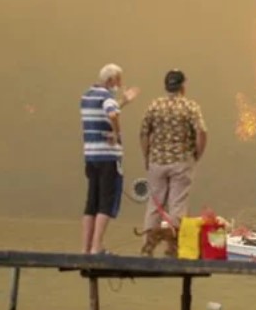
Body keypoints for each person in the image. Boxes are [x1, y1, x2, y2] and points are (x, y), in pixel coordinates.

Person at [139, 69, 208, 256]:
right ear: (182, 87)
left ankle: (148, 246)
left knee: (155, 205)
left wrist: (147, 156)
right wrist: (197, 154)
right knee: (177, 205)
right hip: (182, 162)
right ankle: (175, 248)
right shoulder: (190, 107)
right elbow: (201, 132)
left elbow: (144, 132)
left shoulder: (154, 106)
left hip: (157, 162)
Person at [80, 63, 140, 254]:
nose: (120, 84)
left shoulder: (87, 95)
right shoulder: (107, 97)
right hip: (108, 157)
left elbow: (107, 111)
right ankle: (97, 246)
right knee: (106, 201)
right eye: (119, 80)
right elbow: (112, 114)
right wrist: (117, 134)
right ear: (111, 80)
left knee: (92, 202)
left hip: (91, 156)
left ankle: (86, 248)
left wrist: (123, 101)